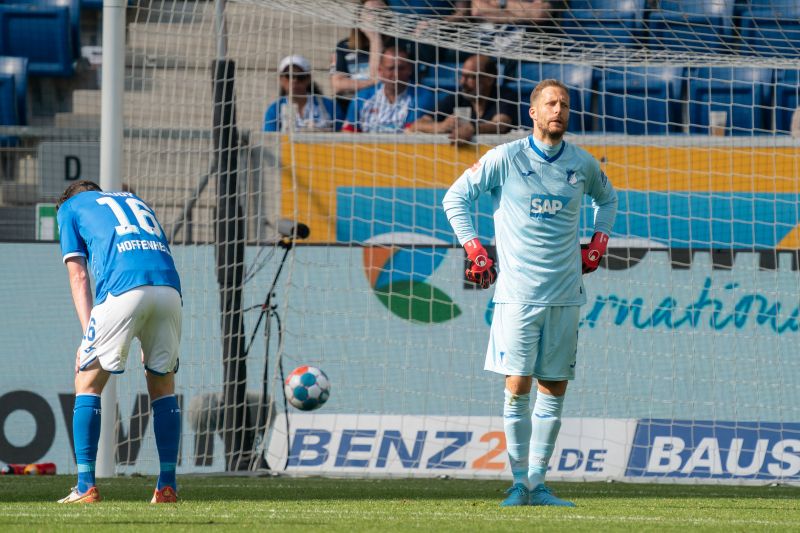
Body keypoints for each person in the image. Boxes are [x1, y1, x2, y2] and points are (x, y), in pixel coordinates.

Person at [442, 79, 618, 507]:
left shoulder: (583, 164)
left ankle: (538, 483)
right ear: (533, 113)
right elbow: (455, 197)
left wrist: (598, 242)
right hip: (518, 294)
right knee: (518, 384)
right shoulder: (506, 157)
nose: (559, 110)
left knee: (554, 386)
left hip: (565, 293)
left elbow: (608, 200)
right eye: (550, 103)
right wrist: (473, 247)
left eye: (564, 104)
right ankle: (518, 482)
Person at [56, 180, 183, 504]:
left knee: (87, 382)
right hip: (169, 290)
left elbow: (79, 275)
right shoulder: (133, 200)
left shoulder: (70, 208)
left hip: (123, 288)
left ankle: (85, 486)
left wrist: (89, 337)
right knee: (163, 387)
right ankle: (167, 485)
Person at [408, 54, 517, 142]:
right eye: (462, 75)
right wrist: (442, 126)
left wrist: (472, 128)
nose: (462, 82)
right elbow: (416, 125)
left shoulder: (504, 96)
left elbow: (500, 125)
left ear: (489, 79)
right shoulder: (457, 98)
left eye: (471, 77)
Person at [341, 45, 435, 133]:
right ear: (380, 71)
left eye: (401, 68)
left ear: (410, 69)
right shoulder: (362, 98)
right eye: (391, 68)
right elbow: (348, 133)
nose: (396, 74)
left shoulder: (423, 97)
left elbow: (410, 132)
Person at [330, 0, 388, 116]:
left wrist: (375, 39)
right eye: (371, 13)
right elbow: (338, 84)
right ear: (360, 18)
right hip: (347, 105)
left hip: (379, 107)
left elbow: (380, 81)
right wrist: (370, 83)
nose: (376, 18)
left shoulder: (392, 48)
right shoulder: (344, 46)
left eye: (381, 14)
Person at [264, 55, 341, 132]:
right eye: (289, 76)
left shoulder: (329, 106)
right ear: (281, 79)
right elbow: (269, 138)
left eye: (300, 76)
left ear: (308, 78)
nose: (294, 80)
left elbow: (343, 134)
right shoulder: (274, 110)